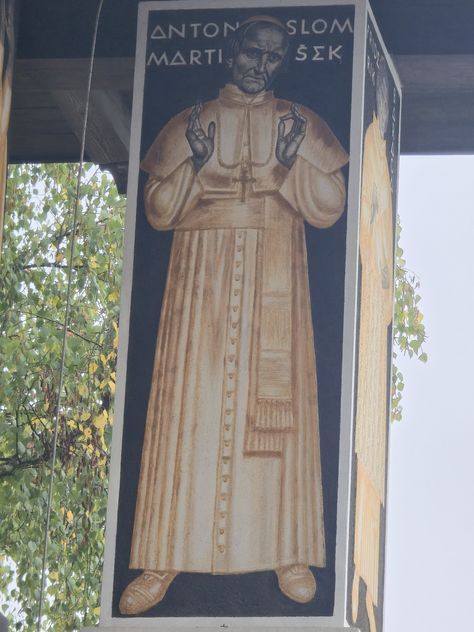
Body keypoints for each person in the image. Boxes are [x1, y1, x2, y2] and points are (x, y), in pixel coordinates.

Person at [119, 15, 348, 615]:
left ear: (282, 63)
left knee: (275, 421)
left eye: (273, 58)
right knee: (188, 411)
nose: (260, 66)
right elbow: (158, 209)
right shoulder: (190, 124)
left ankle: (287, 550)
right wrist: (195, 164)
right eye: (252, 53)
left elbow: (330, 205)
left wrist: (293, 164)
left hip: (277, 277)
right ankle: (164, 556)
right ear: (232, 51)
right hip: (201, 282)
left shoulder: (299, 123)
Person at [351, 57, 393, 632]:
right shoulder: (369, 147)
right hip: (366, 313)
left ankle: (366, 591)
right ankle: (358, 585)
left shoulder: (380, 149)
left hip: (375, 319)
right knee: (361, 459)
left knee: (372, 474)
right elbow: (366, 222)